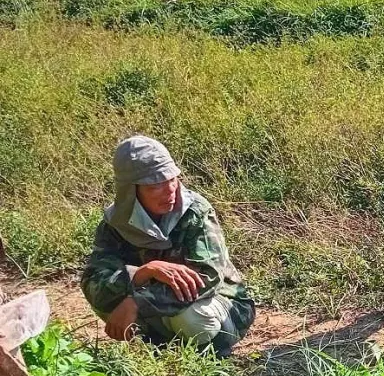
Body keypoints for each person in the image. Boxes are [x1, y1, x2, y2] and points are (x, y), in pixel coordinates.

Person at [81, 135, 255, 355]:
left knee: (191, 318)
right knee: (107, 300)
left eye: (172, 179)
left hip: (221, 303)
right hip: (162, 304)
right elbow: (93, 281)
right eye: (155, 185)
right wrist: (143, 273)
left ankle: (210, 352)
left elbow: (206, 277)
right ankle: (162, 346)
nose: (170, 190)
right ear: (130, 190)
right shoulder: (116, 223)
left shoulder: (195, 212)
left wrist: (137, 302)